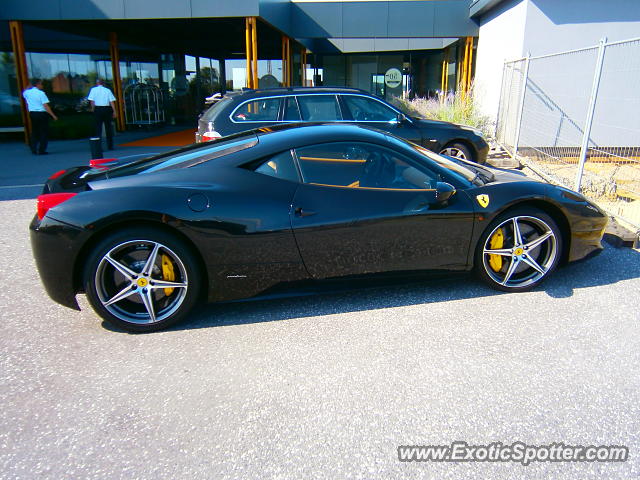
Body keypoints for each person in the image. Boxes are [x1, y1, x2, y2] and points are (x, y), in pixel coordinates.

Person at [23, 79, 57, 155]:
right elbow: (45, 106)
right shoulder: (41, 93)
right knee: (43, 132)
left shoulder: (27, 93)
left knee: (35, 131)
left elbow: (24, 92)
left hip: (32, 113)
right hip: (41, 114)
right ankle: (41, 150)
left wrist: (29, 85)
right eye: (41, 84)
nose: (42, 85)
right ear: (37, 84)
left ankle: (33, 148)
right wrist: (53, 115)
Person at [88, 79, 117, 150]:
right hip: (106, 109)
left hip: (98, 109)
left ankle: (99, 147)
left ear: (97, 83)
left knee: (98, 128)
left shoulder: (93, 90)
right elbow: (111, 102)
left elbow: (92, 101)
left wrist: (92, 108)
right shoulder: (107, 90)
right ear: (103, 83)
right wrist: (114, 111)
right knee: (108, 128)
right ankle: (110, 146)